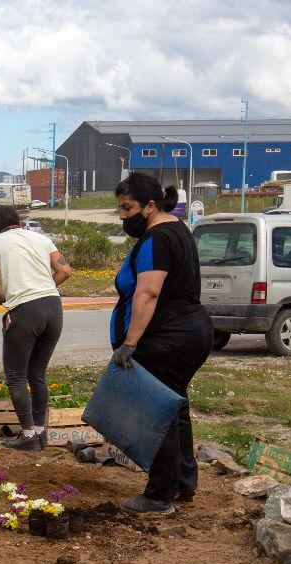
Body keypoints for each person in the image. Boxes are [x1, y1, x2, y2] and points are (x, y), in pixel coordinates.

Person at [110, 173, 214, 515]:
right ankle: (183, 482)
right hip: (190, 331)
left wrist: (130, 342)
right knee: (175, 406)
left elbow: (149, 292)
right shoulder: (178, 230)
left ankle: (159, 495)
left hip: (171, 337)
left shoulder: (157, 238)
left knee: (158, 412)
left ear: (150, 206)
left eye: (128, 208)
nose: (123, 215)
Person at [0, 206, 73, 451]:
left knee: (16, 376)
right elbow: (65, 270)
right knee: (37, 373)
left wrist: (7, 298)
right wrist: (43, 288)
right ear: (17, 222)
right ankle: (40, 433)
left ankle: (29, 436)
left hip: (24, 311)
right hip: (54, 308)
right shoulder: (42, 238)